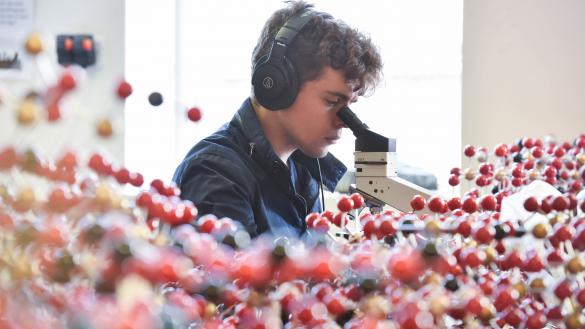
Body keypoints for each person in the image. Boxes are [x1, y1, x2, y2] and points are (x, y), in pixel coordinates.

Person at [173, 0, 382, 237]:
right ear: (276, 86)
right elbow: (232, 273)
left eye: (349, 106)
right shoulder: (216, 174)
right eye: (332, 102)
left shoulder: (302, 167)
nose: (344, 121)